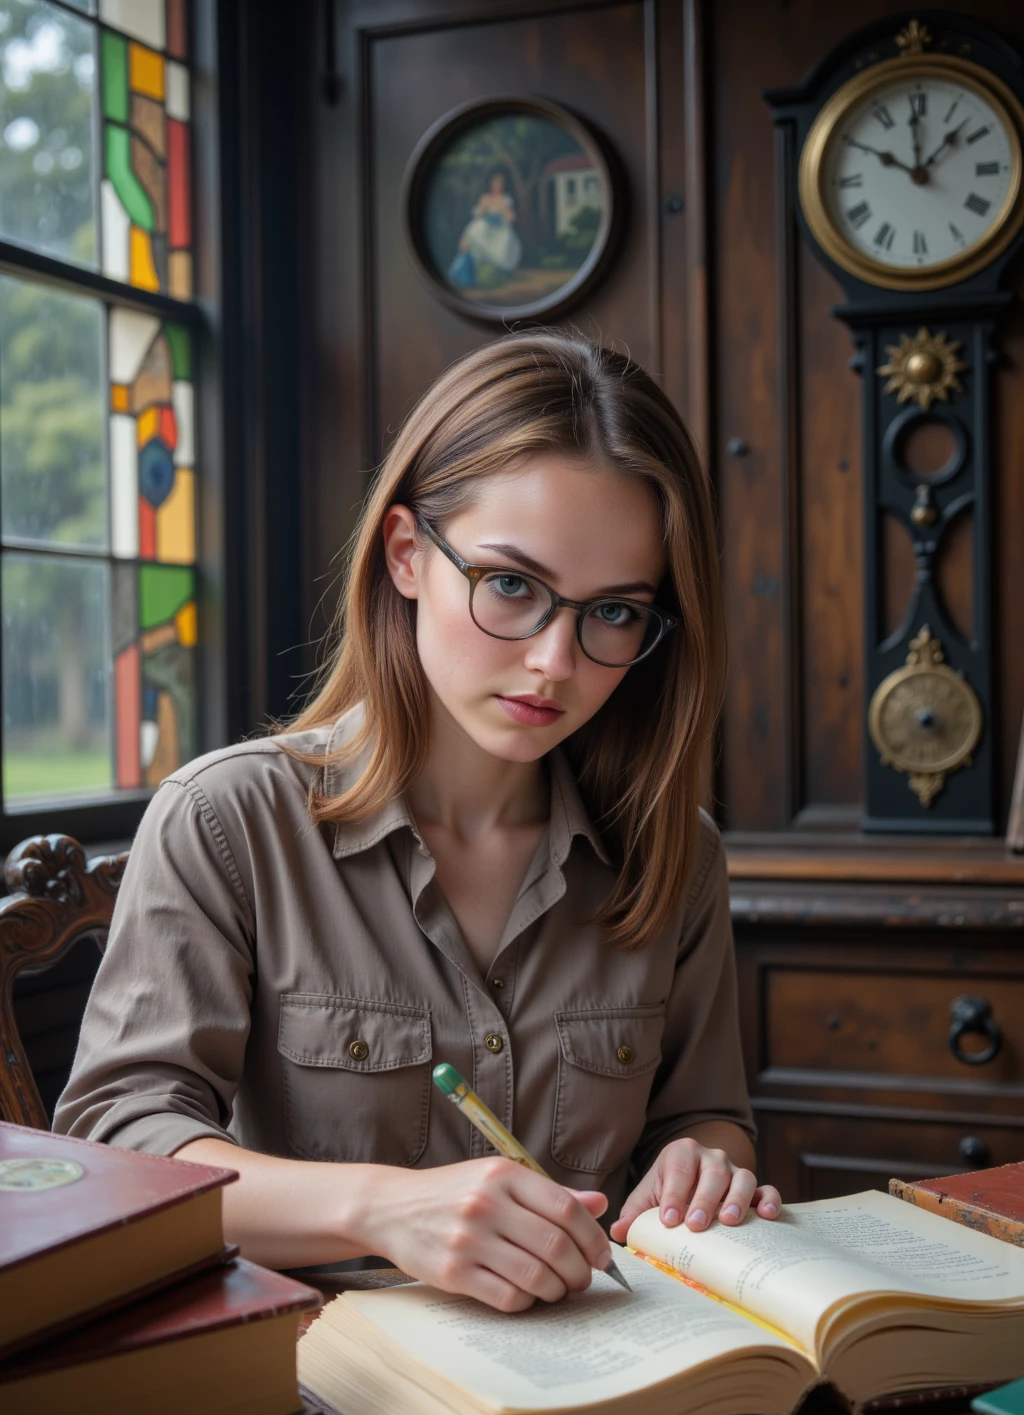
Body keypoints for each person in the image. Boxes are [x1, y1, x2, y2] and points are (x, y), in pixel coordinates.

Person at [54, 332, 781, 1314]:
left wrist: (705, 1165)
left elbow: (704, 1117)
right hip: (311, 1386)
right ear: (406, 556)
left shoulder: (672, 853)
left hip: (609, 1367)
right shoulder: (228, 822)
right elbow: (117, 1141)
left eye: (612, 612)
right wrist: (378, 1209)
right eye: (512, 586)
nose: (555, 663)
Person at [447, 169, 523, 288]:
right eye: (495, 183)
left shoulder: (506, 199)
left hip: (499, 230)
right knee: (474, 230)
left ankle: (496, 275)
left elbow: (511, 218)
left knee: (505, 241)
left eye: (500, 183)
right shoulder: (485, 198)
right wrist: (484, 207)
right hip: (485, 227)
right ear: (491, 184)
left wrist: (502, 208)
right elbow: (478, 215)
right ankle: (463, 275)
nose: (498, 186)